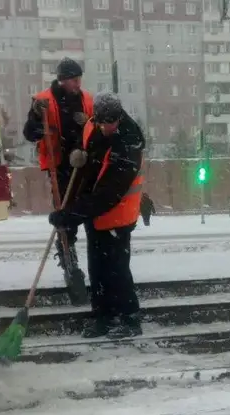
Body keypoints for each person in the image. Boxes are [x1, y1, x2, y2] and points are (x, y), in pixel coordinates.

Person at [48, 92, 146, 339]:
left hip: (118, 216)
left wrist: (71, 215)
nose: (106, 128)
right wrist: (80, 157)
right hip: (95, 215)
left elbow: (107, 194)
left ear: (119, 117)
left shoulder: (128, 144)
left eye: (110, 123)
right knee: (97, 269)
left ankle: (130, 318)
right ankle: (104, 316)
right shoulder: (96, 126)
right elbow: (90, 169)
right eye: (102, 123)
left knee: (117, 269)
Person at [22, 57, 93, 283]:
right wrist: (35, 115)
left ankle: (94, 254)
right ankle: (68, 257)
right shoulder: (44, 101)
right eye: (73, 79)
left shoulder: (87, 100)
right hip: (59, 167)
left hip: (84, 164)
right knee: (65, 213)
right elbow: (30, 134)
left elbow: (99, 129)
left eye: (79, 78)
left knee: (89, 210)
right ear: (62, 80)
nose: (77, 83)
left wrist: (88, 124)